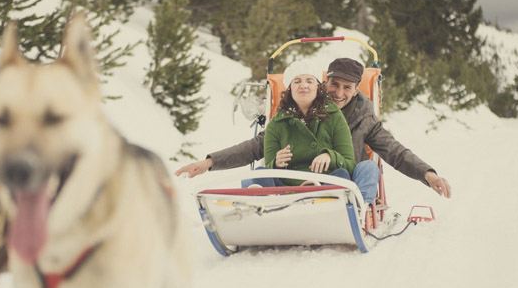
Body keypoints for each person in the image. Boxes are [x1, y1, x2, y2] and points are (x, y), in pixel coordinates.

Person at [176, 57, 451, 199]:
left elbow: (395, 152)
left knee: (367, 167)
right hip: (298, 178)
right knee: (260, 172)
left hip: (343, 181)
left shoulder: (363, 119)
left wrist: (428, 175)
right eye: (334, 85)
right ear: (324, 83)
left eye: (347, 88)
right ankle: (261, 207)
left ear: (356, 91)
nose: (339, 93)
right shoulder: (301, 108)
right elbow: (255, 147)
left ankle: (353, 210)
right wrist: (210, 162)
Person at [246, 60, 356, 189]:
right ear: (289, 88)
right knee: (261, 173)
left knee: (342, 174)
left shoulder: (334, 116)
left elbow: (350, 165)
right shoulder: (276, 124)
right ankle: (269, 202)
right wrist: (276, 162)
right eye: (297, 81)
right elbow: (270, 169)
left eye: (309, 81)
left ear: (318, 86)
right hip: (288, 188)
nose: (304, 85)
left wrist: (331, 156)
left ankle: (324, 201)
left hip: (324, 184)